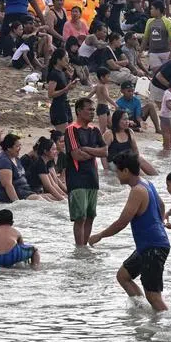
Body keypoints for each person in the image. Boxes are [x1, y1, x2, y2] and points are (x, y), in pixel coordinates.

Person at [88, 151, 171, 312]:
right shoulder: (147, 183)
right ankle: (142, 311)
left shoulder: (137, 191)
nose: (116, 175)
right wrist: (159, 224)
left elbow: (122, 222)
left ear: (126, 171)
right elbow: (161, 206)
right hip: (149, 246)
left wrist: (100, 235)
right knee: (123, 276)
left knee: (154, 296)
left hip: (153, 247)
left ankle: (168, 327)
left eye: (118, 171)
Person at [65, 98, 106, 246]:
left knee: (90, 216)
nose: (92, 112)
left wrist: (87, 149)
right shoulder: (72, 129)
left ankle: (84, 248)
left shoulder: (94, 130)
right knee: (80, 216)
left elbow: (105, 151)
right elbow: (76, 155)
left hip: (92, 177)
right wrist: (95, 152)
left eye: (93, 110)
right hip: (77, 178)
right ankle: (79, 247)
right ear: (79, 111)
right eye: (89, 109)